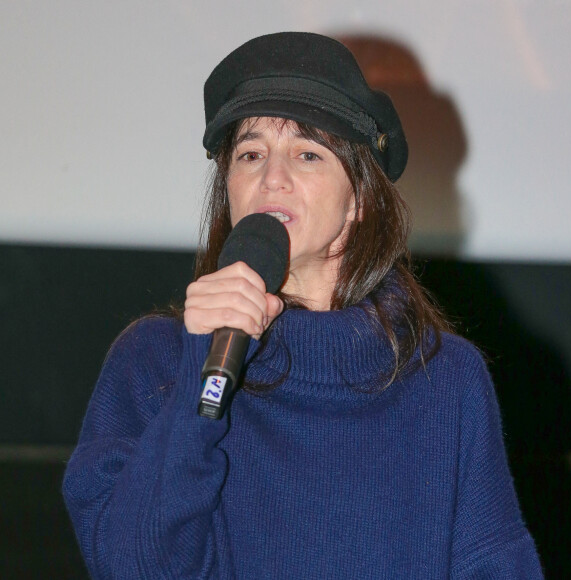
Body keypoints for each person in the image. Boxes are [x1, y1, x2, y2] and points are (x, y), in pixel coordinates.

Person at [63, 32, 543, 579]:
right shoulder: (154, 361)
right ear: (229, 187)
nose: (272, 177)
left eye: (307, 153)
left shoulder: (445, 380)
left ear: (359, 198)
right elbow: (133, 568)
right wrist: (201, 382)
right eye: (250, 153)